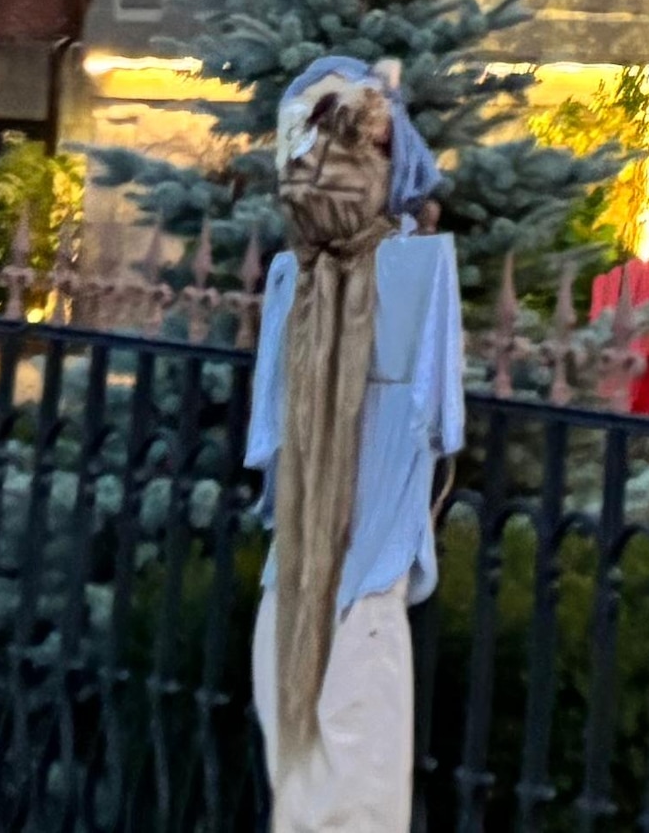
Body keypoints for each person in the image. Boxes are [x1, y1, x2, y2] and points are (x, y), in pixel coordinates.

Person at [248, 57, 463, 832]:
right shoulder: (407, 277)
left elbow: (270, 451)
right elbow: (439, 430)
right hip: (355, 590)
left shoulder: (291, 281)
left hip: (308, 585)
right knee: (346, 800)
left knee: (310, 791)